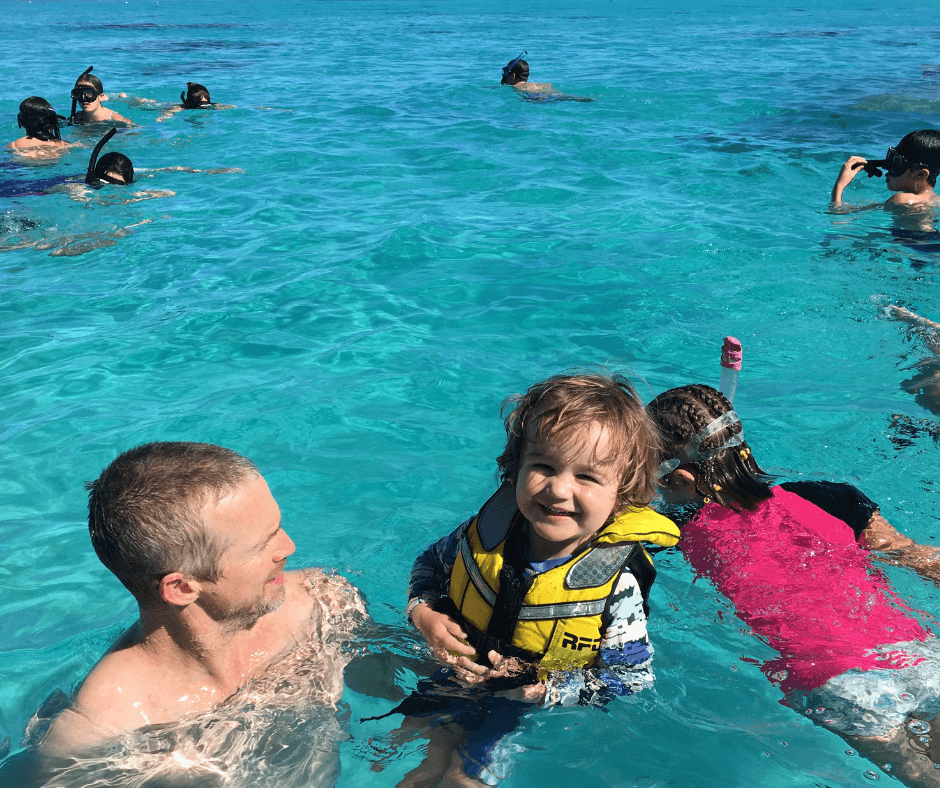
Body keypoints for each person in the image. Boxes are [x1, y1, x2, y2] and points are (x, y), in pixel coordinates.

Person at [647, 384, 940, 788]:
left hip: (835, 679)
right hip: (917, 654)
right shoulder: (834, 497)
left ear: (678, 479)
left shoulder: (670, 529)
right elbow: (918, 558)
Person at [398, 373, 679, 785]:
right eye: (544, 465)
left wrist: (541, 690)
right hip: (453, 677)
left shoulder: (615, 587)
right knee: (420, 760)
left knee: (464, 776)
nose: (559, 489)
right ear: (517, 468)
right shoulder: (485, 533)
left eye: (587, 476)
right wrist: (422, 613)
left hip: (518, 709)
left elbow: (631, 679)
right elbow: (430, 564)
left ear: (622, 493)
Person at [28, 441, 366, 777]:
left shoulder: (322, 601)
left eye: (277, 526)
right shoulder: (99, 735)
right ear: (182, 588)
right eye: (262, 544)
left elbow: (399, 698)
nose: (288, 547)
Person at [831, 129, 940, 206]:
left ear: (920, 174)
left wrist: (839, 185)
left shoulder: (902, 200)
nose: (887, 170)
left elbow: (838, 217)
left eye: (896, 163)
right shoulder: (935, 200)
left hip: (908, 239)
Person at [888, 305, 940, 415]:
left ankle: (913, 319)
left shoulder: (914, 386)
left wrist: (931, 378)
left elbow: (905, 386)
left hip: (922, 357)